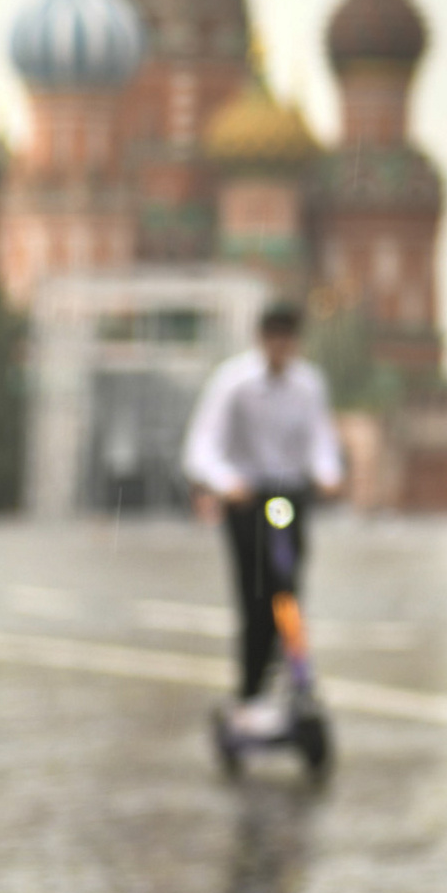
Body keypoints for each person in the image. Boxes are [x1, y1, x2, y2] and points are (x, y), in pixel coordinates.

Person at [182, 304, 344, 734]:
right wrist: (226, 483)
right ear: (261, 339)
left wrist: (329, 476)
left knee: (287, 590)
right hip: (248, 502)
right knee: (256, 597)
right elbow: (201, 447)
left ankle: (297, 680)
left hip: (287, 500)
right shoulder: (234, 383)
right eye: (274, 337)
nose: (281, 347)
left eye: (288, 338)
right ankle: (250, 691)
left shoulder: (308, 385)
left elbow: (321, 443)